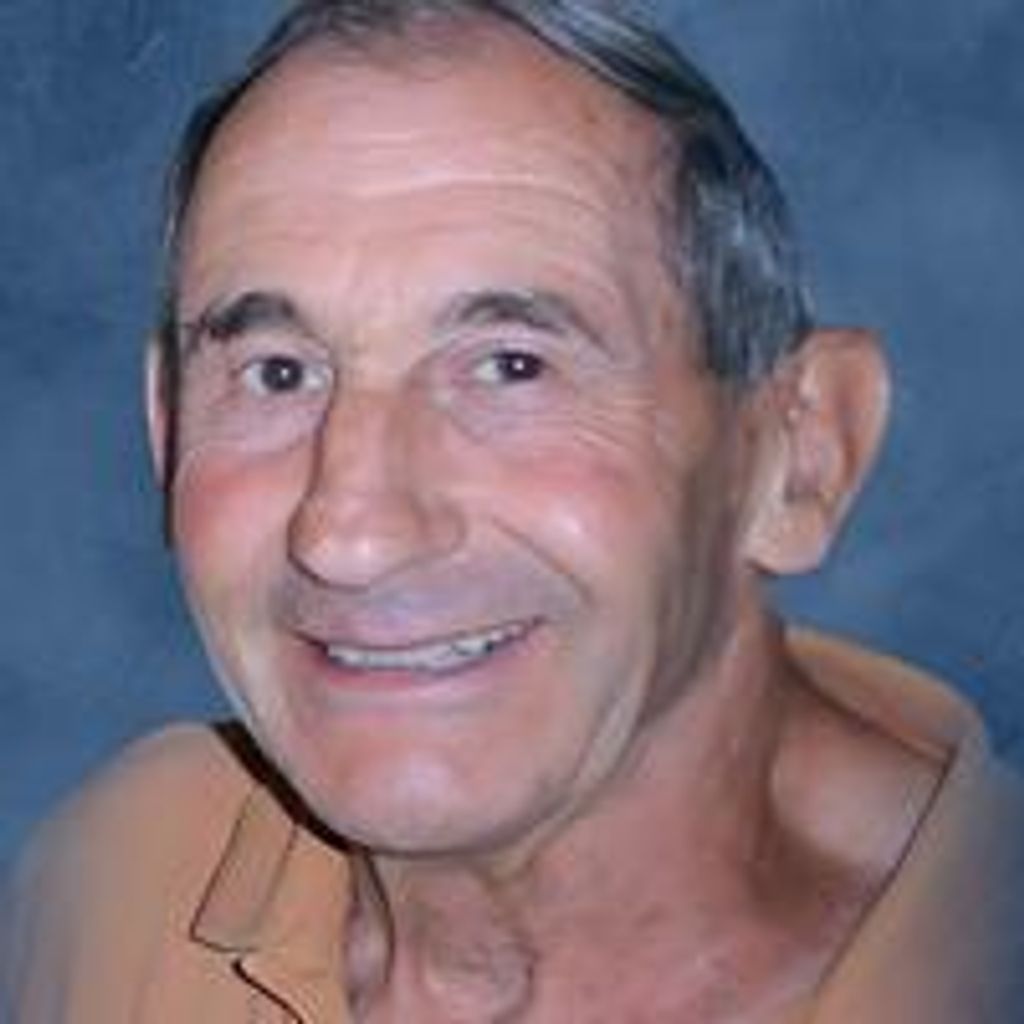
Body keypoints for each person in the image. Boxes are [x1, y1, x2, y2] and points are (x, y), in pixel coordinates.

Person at [3, 1, 1022, 1020]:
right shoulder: (120, 888)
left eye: (511, 367)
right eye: (278, 373)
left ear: (798, 453)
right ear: (168, 430)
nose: (350, 535)